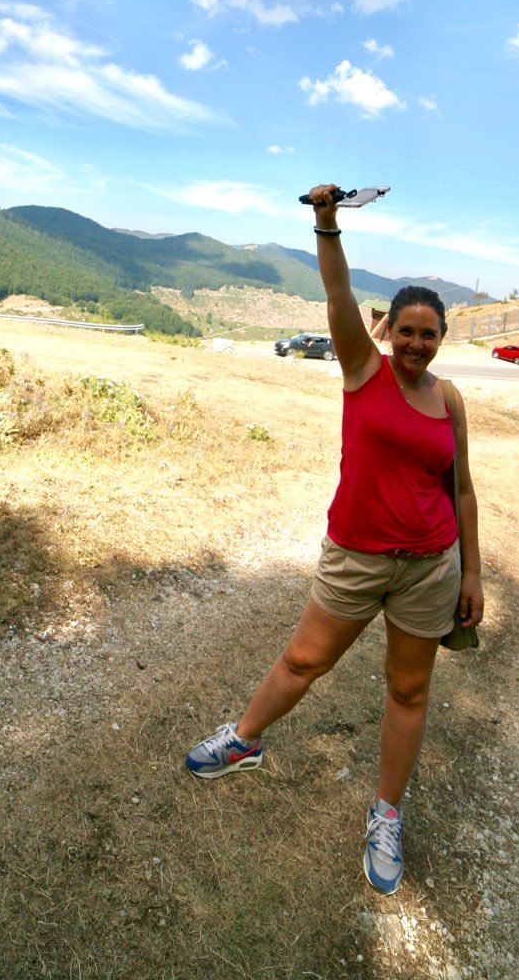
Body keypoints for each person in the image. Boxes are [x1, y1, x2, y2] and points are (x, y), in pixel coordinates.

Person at [185, 183, 484, 895]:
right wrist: (327, 222)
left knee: (408, 692)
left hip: (430, 568)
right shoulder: (362, 370)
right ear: (388, 331)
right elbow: (338, 290)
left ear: (442, 338)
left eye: (428, 334)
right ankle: (244, 740)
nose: (415, 343)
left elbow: (462, 487)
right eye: (405, 330)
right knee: (302, 661)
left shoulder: (449, 400)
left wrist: (472, 574)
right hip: (357, 557)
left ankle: (386, 813)